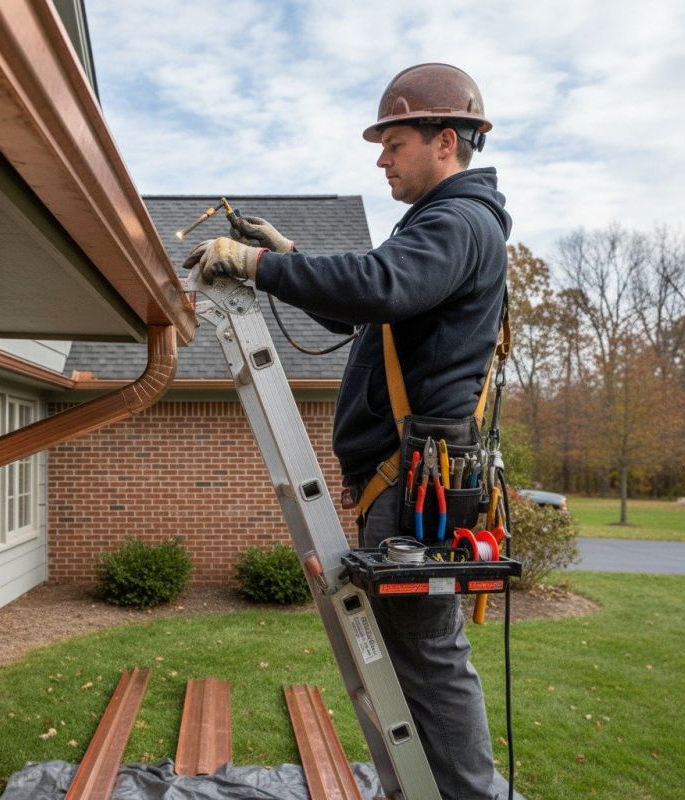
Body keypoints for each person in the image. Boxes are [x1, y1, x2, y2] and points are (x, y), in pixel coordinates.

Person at [184, 63, 518, 800]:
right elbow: (362, 306)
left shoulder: (458, 222)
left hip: (416, 479)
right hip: (407, 476)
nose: (381, 159)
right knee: (408, 654)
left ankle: (463, 793)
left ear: (445, 141)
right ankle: (424, 787)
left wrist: (256, 265)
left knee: (427, 653)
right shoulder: (441, 226)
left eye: (394, 143)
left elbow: (378, 284)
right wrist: (288, 259)